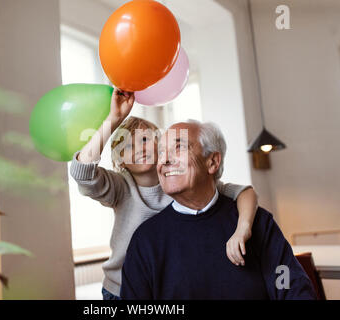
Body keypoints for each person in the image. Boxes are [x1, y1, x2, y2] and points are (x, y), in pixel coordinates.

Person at [70, 89, 259, 300]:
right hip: (121, 288)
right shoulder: (120, 187)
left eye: (144, 140)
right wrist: (113, 119)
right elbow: (82, 173)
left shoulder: (181, 182)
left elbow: (245, 193)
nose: (139, 149)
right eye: (128, 146)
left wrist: (243, 228)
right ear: (120, 160)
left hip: (166, 284)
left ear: (161, 144)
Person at [120, 121, 317, 300]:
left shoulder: (259, 224)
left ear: (212, 162)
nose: (164, 161)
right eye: (161, 153)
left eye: (178, 147)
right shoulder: (145, 240)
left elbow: (289, 285)